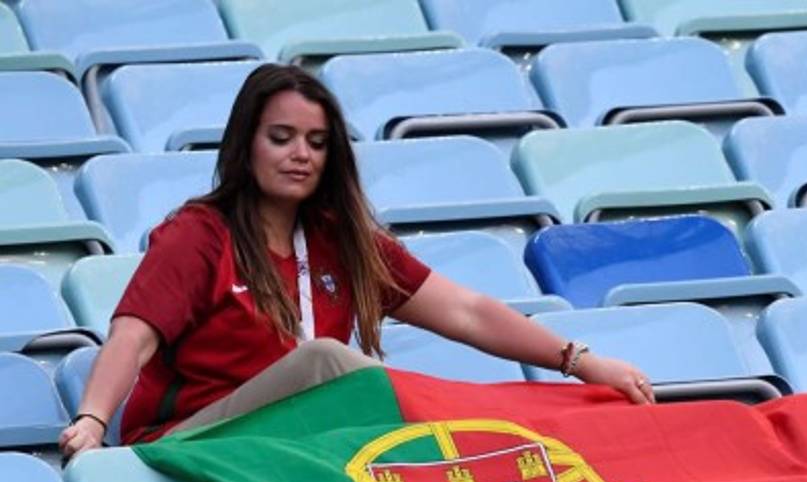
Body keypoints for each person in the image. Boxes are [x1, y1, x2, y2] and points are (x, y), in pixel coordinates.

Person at [59, 64, 653, 460]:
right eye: (282, 137)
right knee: (326, 361)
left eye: (316, 143)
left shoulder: (340, 240)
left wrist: (580, 361)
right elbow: (132, 337)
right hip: (194, 443)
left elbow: (467, 313)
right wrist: (91, 419)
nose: (300, 155)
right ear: (246, 145)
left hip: (300, 445)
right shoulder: (199, 235)